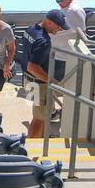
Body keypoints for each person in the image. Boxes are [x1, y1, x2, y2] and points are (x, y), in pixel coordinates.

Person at [24, 10, 69, 138]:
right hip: (39, 84)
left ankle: (42, 139)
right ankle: (30, 148)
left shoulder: (30, 29)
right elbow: (32, 67)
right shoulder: (43, 41)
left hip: (30, 81)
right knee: (38, 119)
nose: (60, 29)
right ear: (48, 22)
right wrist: (53, 81)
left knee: (42, 116)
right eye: (58, 25)